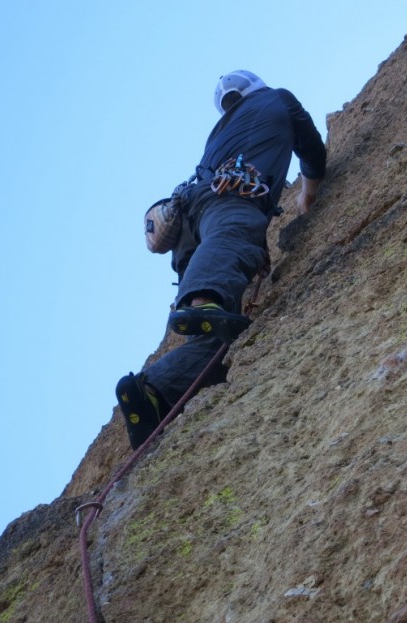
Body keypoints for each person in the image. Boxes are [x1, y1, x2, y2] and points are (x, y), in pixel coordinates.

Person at [116, 70, 326, 450]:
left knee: (216, 333)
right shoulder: (277, 98)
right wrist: (308, 193)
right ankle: (202, 300)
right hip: (231, 195)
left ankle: (155, 395)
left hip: (188, 218)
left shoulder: (220, 132)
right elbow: (312, 149)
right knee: (233, 237)